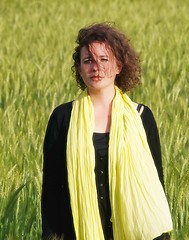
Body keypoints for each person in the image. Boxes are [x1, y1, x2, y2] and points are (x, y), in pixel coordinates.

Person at [41, 22, 173, 240]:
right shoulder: (63, 118)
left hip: (136, 233)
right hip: (78, 231)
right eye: (88, 61)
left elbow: (156, 183)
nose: (96, 67)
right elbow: (52, 187)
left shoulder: (141, 117)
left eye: (104, 59)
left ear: (119, 66)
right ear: (80, 68)